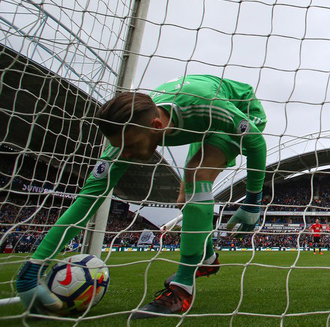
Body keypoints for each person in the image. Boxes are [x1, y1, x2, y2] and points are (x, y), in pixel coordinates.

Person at [15, 75, 267, 319]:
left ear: (156, 126)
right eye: (120, 146)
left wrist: (253, 200)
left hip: (239, 106)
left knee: (195, 174)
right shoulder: (126, 133)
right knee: (185, 200)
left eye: (131, 146)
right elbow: (87, 200)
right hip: (198, 117)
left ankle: (182, 287)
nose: (125, 154)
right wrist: (33, 267)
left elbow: (256, 142)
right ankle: (207, 259)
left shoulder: (210, 108)